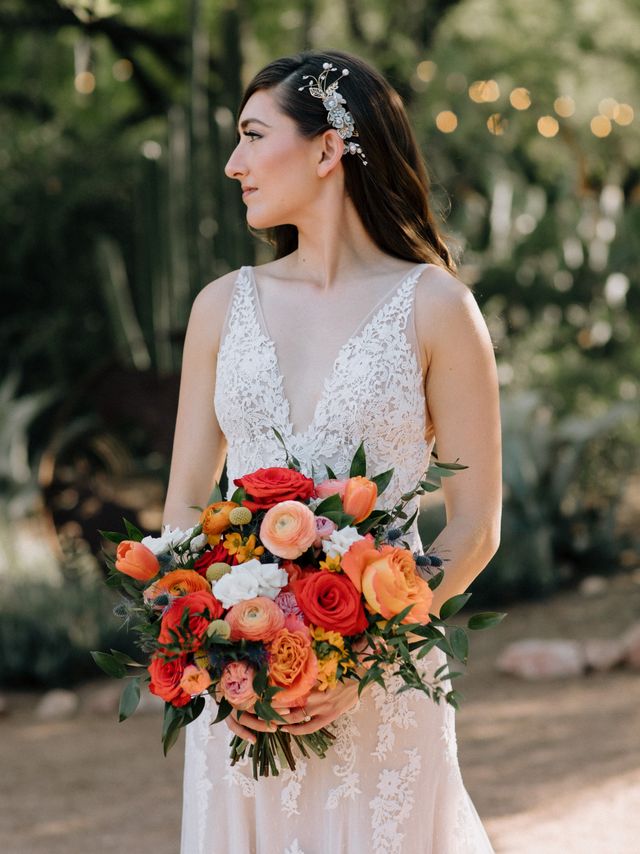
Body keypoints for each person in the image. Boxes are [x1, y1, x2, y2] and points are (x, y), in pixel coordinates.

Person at [163, 48, 502, 854]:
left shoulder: (438, 309)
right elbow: (182, 505)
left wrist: (360, 658)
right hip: (238, 699)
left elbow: (475, 528)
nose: (232, 163)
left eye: (252, 135)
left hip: (381, 699)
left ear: (326, 149)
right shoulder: (221, 308)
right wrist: (214, 645)